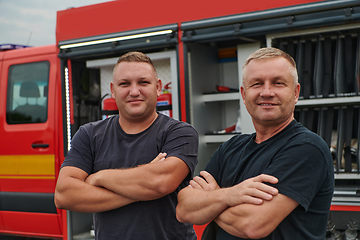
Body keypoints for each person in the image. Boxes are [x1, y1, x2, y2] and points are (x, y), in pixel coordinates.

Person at [176, 47, 334, 240]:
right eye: (257, 84)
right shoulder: (230, 148)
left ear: (295, 92)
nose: (266, 92)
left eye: (278, 83)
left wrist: (212, 199)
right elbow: (184, 209)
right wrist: (230, 195)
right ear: (244, 94)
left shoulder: (307, 148)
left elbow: (253, 225)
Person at [54, 51, 199, 240]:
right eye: (125, 84)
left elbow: (160, 183)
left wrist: (99, 177)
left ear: (158, 87)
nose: (134, 91)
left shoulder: (180, 133)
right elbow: (64, 195)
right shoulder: (89, 134)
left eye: (143, 82)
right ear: (113, 90)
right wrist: (143, 185)